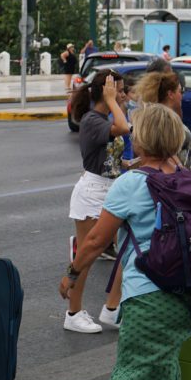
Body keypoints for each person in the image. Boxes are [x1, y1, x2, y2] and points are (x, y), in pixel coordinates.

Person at [59, 104, 191, 380]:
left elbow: (94, 240)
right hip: (190, 296)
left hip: (151, 297)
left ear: (142, 139)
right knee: (156, 367)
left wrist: (72, 275)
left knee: (149, 378)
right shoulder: (188, 178)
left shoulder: (133, 182)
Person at [65, 70, 130, 334]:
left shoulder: (102, 118)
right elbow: (124, 128)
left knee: (127, 248)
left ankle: (112, 310)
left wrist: (128, 164)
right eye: (119, 90)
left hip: (111, 188)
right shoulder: (93, 119)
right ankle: (73, 313)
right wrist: (114, 101)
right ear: (106, 91)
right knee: (86, 255)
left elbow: (109, 156)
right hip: (92, 192)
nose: (124, 94)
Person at [136, 70, 191, 169]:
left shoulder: (170, 115)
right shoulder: (162, 119)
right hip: (171, 175)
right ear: (170, 94)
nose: (182, 95)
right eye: (180, 91)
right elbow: (166, 150)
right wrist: (179, 169)